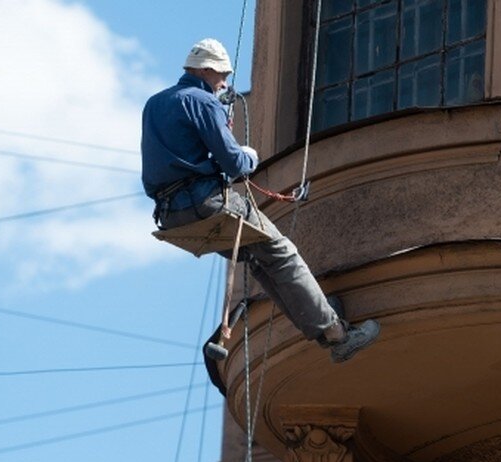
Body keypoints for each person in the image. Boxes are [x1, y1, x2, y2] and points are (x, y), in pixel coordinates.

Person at [141, 38, 380, 363]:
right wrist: (249, 156)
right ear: (207, 69)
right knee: (282, 253)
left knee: (260, 257)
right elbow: (234, 166)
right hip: (205, 203)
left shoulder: (155, 103)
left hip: (170, 215)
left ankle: (319, 317)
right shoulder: (202, 101)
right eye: (222, 75)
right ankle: (337, 335)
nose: (224, 83)